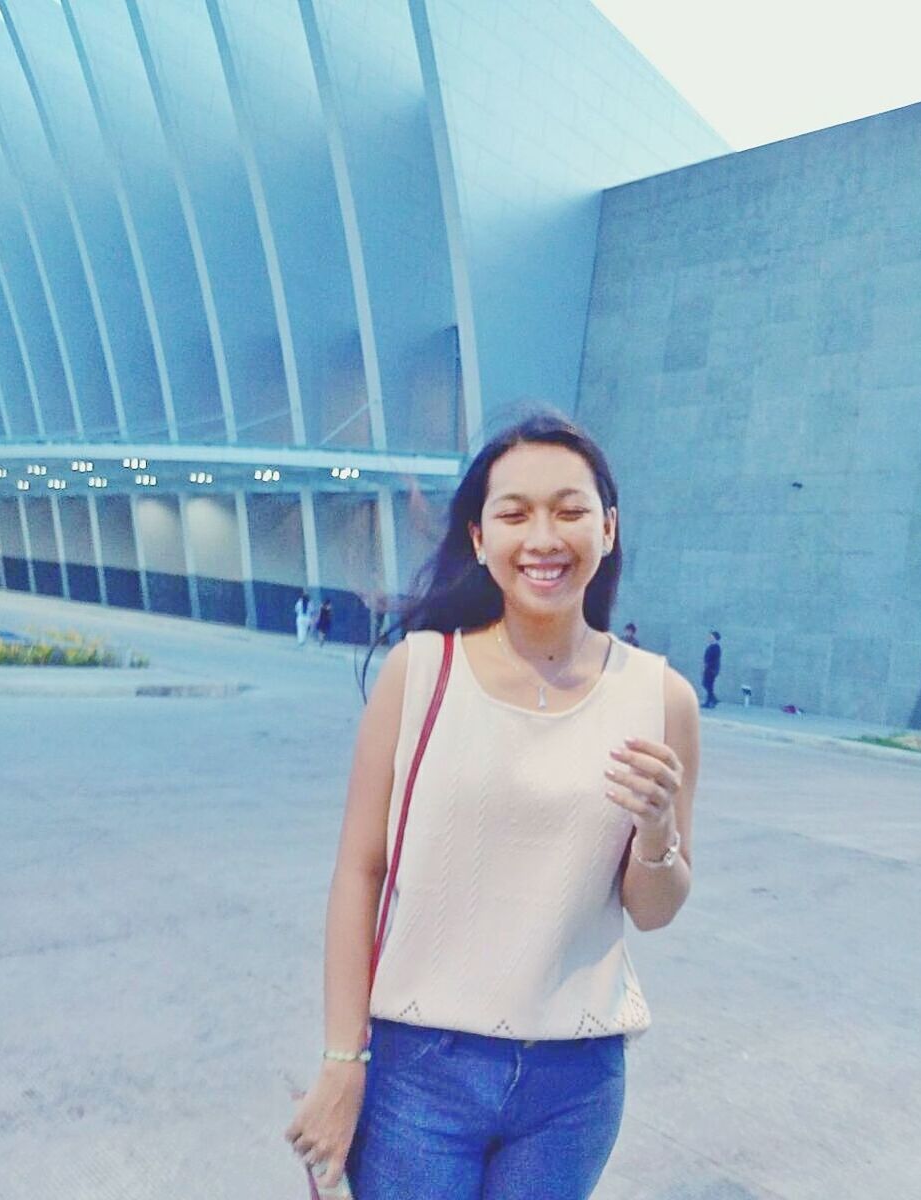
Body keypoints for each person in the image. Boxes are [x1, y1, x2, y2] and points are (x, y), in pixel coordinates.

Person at [286, 412, 699, 1199]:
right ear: (480, 538)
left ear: (607, 529)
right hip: (421, 1073)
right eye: (514, 513)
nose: (543, 536)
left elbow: (655, 907)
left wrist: (658, 830)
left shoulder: (661, 696)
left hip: (574, 1085)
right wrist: (343, 1063)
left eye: (570, 510)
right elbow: (358, 872)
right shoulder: (422, 671)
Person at [701, 631, 721, 708]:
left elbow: (715, 660)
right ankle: (712, 700)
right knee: (707, 685)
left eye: (711, 637)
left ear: (715, 638)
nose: (709, 638)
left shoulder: (716, 647)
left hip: (711, 669)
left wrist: (712, 669)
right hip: (708, 668)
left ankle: (711, 701)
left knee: (708, 685)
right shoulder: (711, 646)